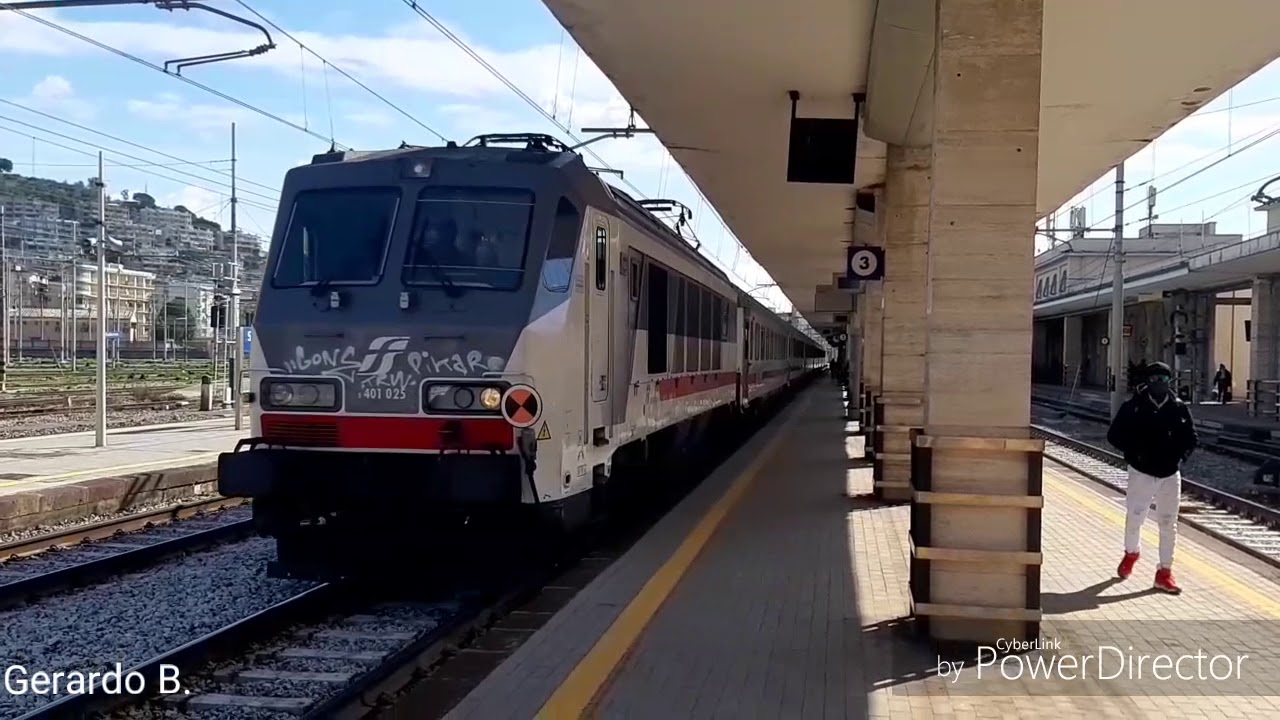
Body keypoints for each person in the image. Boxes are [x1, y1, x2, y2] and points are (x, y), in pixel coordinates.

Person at [1106, 361, 1197, 594]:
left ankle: (1164, 572)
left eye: (1164, 380)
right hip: (1141, 471)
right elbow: (1114, 435)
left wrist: (1180, 457)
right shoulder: (1133, 407)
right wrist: (1134, 453)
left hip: (1169, 474)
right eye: (1155, 379)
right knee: (1135, 516)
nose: (1159, 384)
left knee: (1168, 523)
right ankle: (1131, 553)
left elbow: (1191, 438)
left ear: (1170, 382)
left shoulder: (1178, 408)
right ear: (1147, 381)